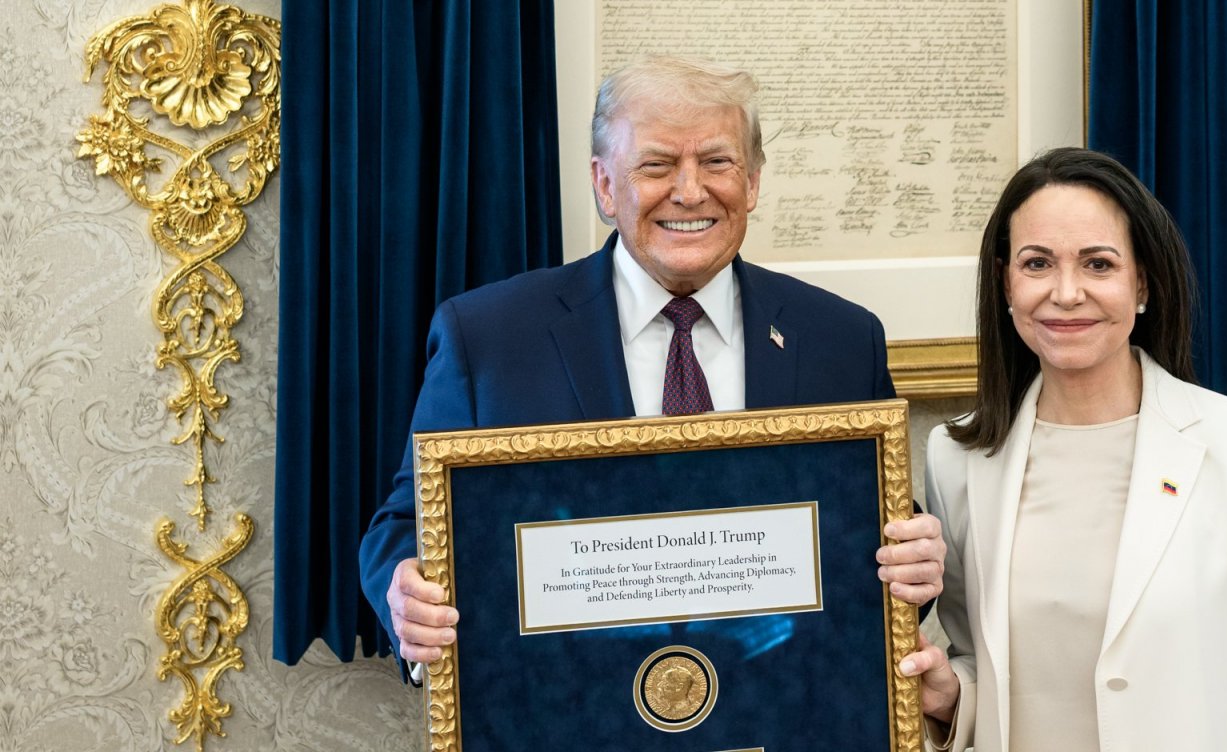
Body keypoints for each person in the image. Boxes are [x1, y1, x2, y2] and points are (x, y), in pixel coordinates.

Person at [357, 56, 945, 678]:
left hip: (781, 710)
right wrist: (406, 593)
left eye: (717, 162)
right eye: (657, 165)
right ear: (606, 185)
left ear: (752, 181)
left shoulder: (841, 339)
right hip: (566, 713)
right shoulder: (489, 338)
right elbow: (406, 524)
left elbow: (880, 537)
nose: (690, 192)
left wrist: (916, 566)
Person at [899, 147, 1227, 750]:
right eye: (1037, 264)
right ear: (1005, 282)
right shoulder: (957, 455)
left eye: (1099, 264)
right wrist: (953, 698)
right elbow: (982, 659)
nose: (1067, 293)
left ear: (1143, 285)